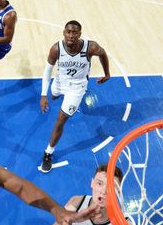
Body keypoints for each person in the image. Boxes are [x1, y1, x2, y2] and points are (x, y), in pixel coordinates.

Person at [39, 21, 110, 173]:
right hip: (60, 82)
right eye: (69, 32)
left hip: (77, 87)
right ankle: (57, 96)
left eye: (75, 32)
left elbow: (103, 53)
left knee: (60, 120)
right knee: (54, 95)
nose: (71, 35)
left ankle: (48, 153)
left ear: (80, 34)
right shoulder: (56, 48)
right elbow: (47, 72)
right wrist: (44, 95)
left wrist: (107, 73)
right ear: (64, 32)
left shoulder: (90, 47)